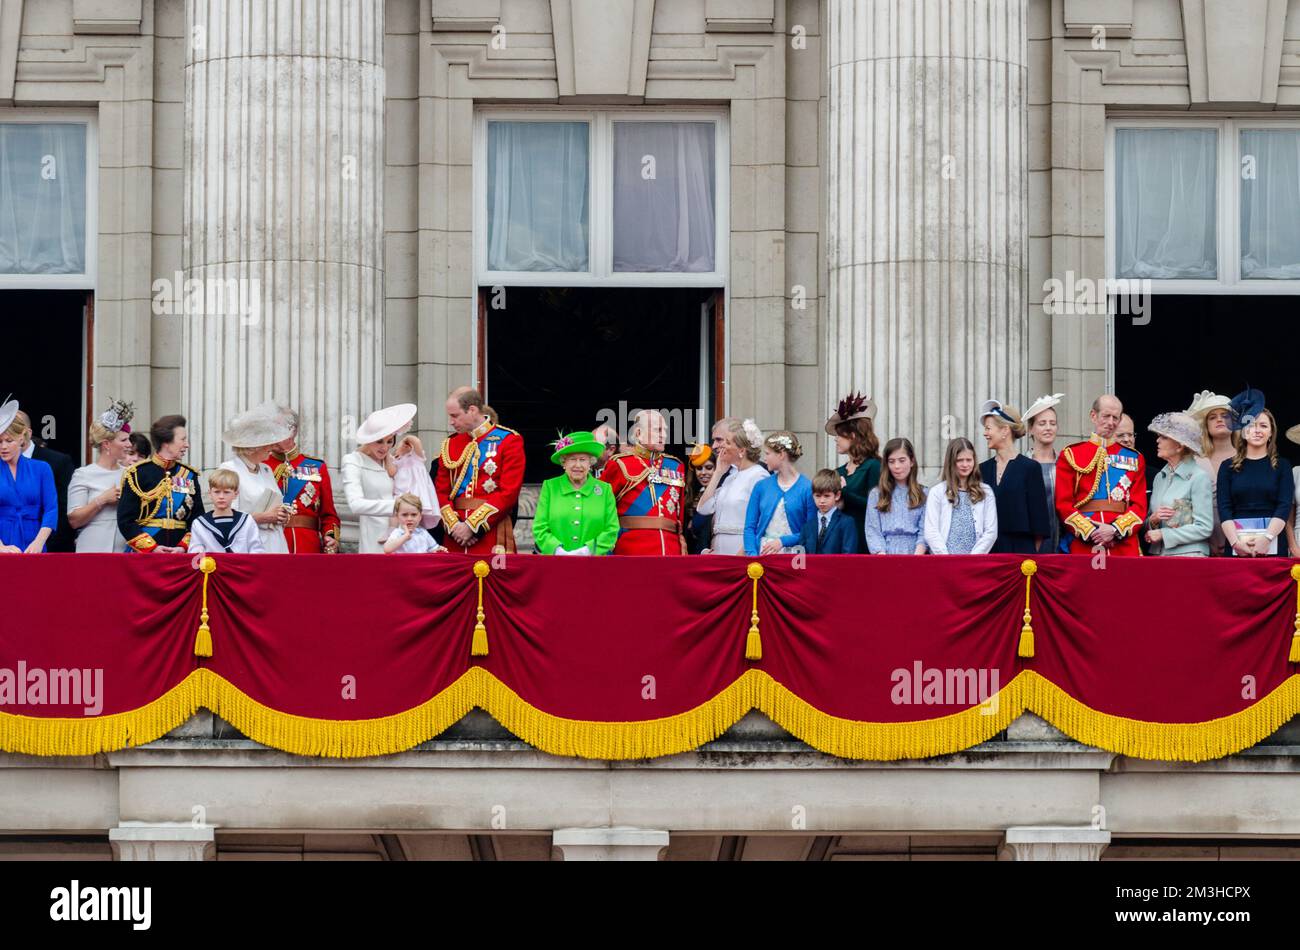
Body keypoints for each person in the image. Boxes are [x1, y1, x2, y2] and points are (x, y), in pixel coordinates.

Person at [434, 388, 524, 555]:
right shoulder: (450, 443)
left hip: (491, 532)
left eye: (455, 416)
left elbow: (509, 492)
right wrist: (455, 526)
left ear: (472, 410)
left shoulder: (509, 440)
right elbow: (440, 491)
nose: (451, 422)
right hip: (455, 536)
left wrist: (472, 526)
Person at [1055, 395, 1146, 556]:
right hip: (1086, 540)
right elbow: (1063, 503)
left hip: (1122, 542)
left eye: (1115, 418)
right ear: (1093, 416)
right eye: (1106, 416)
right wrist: (1091, 531)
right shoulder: (1071, 454)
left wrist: (1114, 529)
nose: (1111, 422)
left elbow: (1139, 506)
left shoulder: (1134, 458)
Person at [599, 409, 688, 556]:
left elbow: (680, 515)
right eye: (657, 430)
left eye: (665, 430)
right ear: (639, 434)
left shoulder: (676, 466)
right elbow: (601, 511)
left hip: (671, 550)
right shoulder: (620, 464)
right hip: (632, 551)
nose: (664, 435)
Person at [1217, 391, 1293, 557]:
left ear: (1271, 432)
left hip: (1272, 543)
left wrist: (1267, 539)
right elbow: (1224, 508)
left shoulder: (1283, 466)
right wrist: (1236, 543)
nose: (1257, 430)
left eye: (1263, 426)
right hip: (1237, 544)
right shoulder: (1226, 467)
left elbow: (1284, 506)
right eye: (1251, 425)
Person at [116, 414, 204, 553]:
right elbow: (126, 520)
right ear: (166, 442)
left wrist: (183, 547)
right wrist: (152, 548)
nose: (186, 444)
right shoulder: (138, 473)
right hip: (145, 554)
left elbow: (198, 519)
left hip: (180, 553)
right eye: (182, 439)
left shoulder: (189, 475)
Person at [218, 403, 293, 554]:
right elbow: (226, 517)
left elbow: (275, 502)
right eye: (266, 444)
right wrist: (264, 517)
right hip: (247, 545)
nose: (270, 449)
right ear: (253, 446)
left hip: (275, 544)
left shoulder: (266, 470)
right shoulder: (229, 469)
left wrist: (282, 514)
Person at [265, 405, 341, 554]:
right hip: (269, 542)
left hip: (306, 545)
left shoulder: (316, 466)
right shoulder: (261, 466)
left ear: (293, 431)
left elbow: (329, 514)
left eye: (277, 428)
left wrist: (331, 536)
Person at [533, 430, 620, 556]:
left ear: (591, 462)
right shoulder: (550, 487)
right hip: (555, 563)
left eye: (583, 459)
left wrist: (588, 551)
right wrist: (557, 550)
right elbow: (539, 527)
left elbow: (612, 529)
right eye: (572, 459)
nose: (577, 465)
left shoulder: (605, 490)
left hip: (594, 564)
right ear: (564, 462)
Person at [979, 400, 1049, 554]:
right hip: (987, 552)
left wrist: (1028, 559)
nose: (985, 433)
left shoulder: (1030, 468)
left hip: (1020, 553)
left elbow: (1039, 524)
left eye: (988, 428)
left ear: (1004, 431)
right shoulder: (982, 469)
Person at [342, 404, 414, 553]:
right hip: (375, 539)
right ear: (369, 439)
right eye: (379, 441)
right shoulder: (353, 460)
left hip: (404, 535)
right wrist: (396, 506)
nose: (385, 447)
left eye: (389, 441)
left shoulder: (391, 462)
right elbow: (355, 504)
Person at [68, 399, 134, 553]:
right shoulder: (83, 474)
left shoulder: (130, 474)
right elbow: (74, 520)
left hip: (124, 549)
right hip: (92, 548)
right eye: (124, 440)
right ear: (106, 444)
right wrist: (102, 500)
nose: (129, 444)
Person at [693, 418, 767, 554]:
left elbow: (763, 521)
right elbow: (703, 509)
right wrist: (717, 473)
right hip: (719, 552)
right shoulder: (729, 477)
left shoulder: (759, 475)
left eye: (724, 441)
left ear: (741, 450)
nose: (715, 446)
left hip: (741, 551)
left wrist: (743, 553)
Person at [1144, 412, 1213, 557]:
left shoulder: (1199, 477)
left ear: (1180, 445)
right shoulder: (1159, 477)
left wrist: (1164, 534)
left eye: (1164, 437)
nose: (1157, 441)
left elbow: (1205, 528)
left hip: (1190, 556)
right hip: (1159, 556)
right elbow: (1150, 524)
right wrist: (1153, 520)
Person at [744, 432, 816, 556]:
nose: (764, 458)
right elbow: (749, 527)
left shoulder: (807, 488)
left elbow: (811, 531)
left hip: (795, 556)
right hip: (763, 554)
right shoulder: (761, 486)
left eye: (767, 453)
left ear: (781, 454)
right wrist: (752, 554)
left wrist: (783, 541)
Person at [0, 399, 57, 553]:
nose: (3, 446)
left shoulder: (42, 469)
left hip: (34, 541)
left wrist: (39, 542)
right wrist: (1, 547)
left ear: (21, 438)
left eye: (8, 441)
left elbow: (51, 509)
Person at [924, 438, 998, 555]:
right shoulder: (937, 492)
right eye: (959, 460)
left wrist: (972, 558)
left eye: (969, 460)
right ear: (951, 462)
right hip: (944, 561)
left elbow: (991, 531)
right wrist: (946, 558)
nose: (965, 465)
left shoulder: (986, 492)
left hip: (974, 562)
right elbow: (931, 530)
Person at [14, 410, 75, 551]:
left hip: (48, 546)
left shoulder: (56, 462)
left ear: (27, 433)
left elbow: (61, 507)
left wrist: (45, 543)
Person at [827, 393, 881, 543]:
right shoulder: (839, 472)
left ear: (853, 436)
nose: (836, 439)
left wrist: (844, 492)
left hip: (864, 541)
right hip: (841, 540)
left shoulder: (874, 466)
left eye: (839, 435)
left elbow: (875, 507)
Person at [1187, 391, 1235, 556]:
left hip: (1240, 540)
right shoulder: (1194, 461)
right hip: (1200, 543)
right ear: (1205, 424)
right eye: (1212, 417)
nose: (1219, 419)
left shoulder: (1246, 458)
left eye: (1224, 415)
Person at [864, 437, 928, 555]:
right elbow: (872, 529)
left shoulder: (924, 493)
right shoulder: (876, 494)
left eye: (902, 460)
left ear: (912, 461)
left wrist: (917, 557)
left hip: (916, 554)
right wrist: (881, 555)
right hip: (885, 555)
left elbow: (924, 530)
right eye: (891, 461)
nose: (897, 466)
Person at [189, 468, 265, 554]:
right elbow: (194, 554)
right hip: (212, 567)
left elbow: (257, 551)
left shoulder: (247, 520)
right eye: (217, 492)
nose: (221, 496)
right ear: (210, 493)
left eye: (226, 492)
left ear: (236, 494)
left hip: (241, 567)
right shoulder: (199, 524)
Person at [1024, 393, 1065, 553]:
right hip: (1029, 545)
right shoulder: (1022, 465)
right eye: (1042, 423)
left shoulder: (1066, 463)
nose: (1048, 428)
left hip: (1062, 543)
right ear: (1030, 429)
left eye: (1052, 423)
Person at [800, 468, 858, 554]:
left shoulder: (847, 523)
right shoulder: (807, 526)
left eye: (826, 496)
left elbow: (849, 555)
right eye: (818, 496)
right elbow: (802, 556)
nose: (822, 500)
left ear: (837, 495)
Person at [684, 444, 716, 554]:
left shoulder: (722, 493)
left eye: (709, 467)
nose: (703, 473)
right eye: (699, 468)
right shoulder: (693, 494)